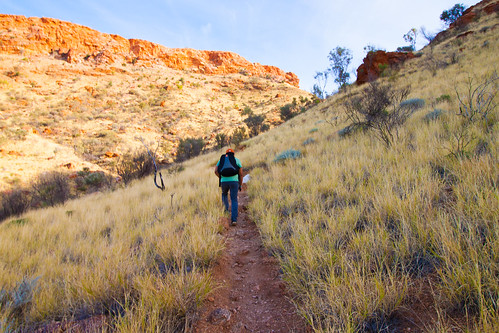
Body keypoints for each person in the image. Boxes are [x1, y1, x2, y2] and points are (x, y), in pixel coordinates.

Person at [214, 148, 243, 226]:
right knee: (234, 199)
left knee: (224, 195)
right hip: (234, 182)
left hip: (224, 182)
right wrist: (240, 184)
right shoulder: (237, 160)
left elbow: (215, 171)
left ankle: (226, 213)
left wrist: (221, 178)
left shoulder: (221, 160)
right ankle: (234, 220)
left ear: (226, 154)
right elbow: (240, 174)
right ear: (233, 154)